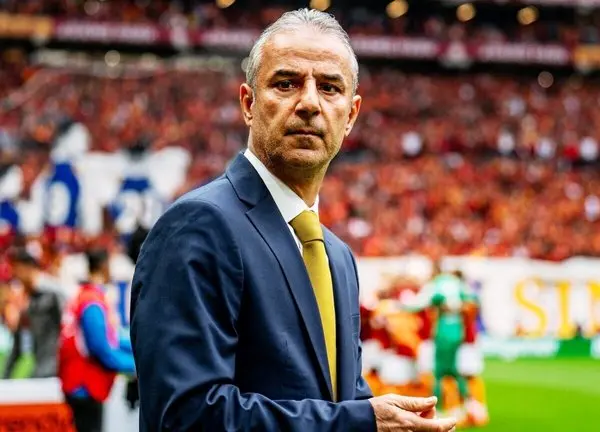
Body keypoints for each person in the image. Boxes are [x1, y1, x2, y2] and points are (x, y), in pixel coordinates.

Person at [130, 8, 456, 432]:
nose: (309, 103)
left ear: (351, 115)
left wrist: (381, 422)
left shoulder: (337, 257)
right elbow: (187, 418)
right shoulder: (198, 226)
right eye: (286, 83)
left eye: (330, 87)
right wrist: (360, 422)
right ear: (248, 104)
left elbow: (337, 403)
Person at [58, 248, 135, 432]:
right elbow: (101, 348)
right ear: (104, 267)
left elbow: (112, 338)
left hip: (77, 383)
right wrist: (136, 366)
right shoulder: (92, 302)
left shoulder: (84, 296)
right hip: (85, 385)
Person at [400, 264, 478, 422]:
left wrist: (400, 305)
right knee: (454, 371)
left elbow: (418, 304)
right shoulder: (457, 285)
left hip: (444, 332)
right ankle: (466, 406)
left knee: (439, 372)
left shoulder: (437, 285)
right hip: (456, 331)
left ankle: (442, 409)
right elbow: (472, 301)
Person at [3, 246, 64, 379]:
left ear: (28, 268)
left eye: (17, 269)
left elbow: (68, 326)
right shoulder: (27, 298)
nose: (15, 275)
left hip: (58, 368)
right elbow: (18, 343)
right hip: (41, 367)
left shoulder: (53, 292)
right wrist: (5, 377)